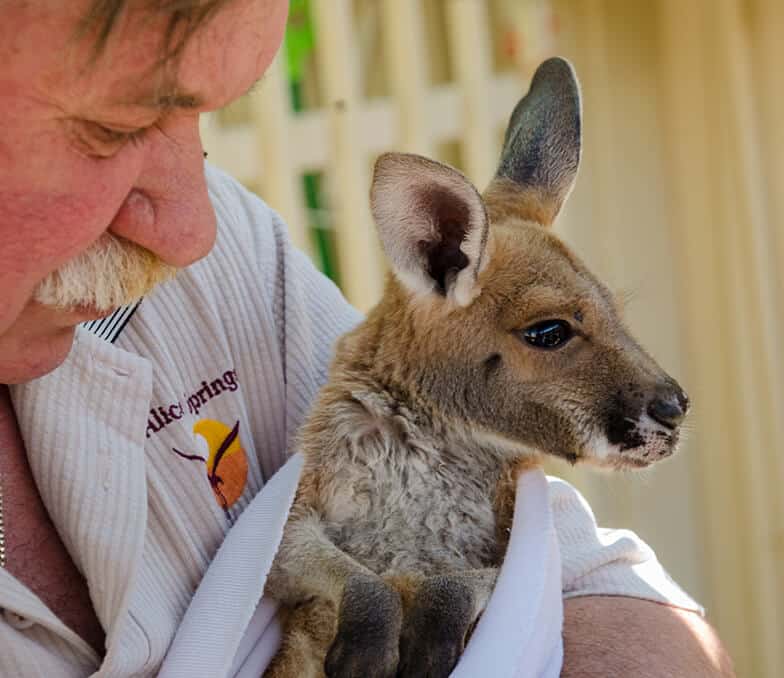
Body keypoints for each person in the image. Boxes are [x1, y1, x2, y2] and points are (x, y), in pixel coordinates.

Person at [0, 1, 735, 676]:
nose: (194, 235)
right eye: (114, 128)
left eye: (200, 123)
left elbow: (593, 582)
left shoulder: (227, 258)